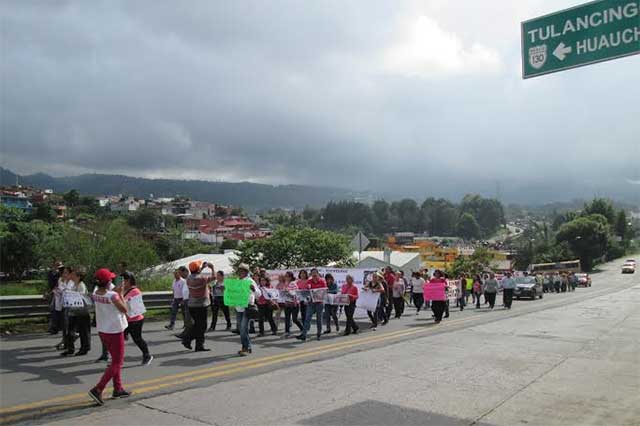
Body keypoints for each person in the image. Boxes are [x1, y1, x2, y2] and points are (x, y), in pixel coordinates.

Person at [88, 268, 130, 406]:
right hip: (115, 330)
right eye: (110, 279)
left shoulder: (95, 293)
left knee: (114, 360)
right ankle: (98, 388)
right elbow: (125, 310)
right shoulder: (113, 295)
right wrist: (121, 294)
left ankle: (118, 388)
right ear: (107, 282)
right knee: (118, 362)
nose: (112, 280)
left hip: (103, 330)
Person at [182, 261, 215, 352]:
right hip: (201, 305)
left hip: (191, 305)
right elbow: (214, 277)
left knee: (197, 325)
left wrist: (202, 268)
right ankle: (187, 339)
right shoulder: (202, 279)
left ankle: (198, 345)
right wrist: (212, 268)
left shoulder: (188, 278)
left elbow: (196, 273)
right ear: (198, 269)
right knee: (202, 326)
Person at [121, 272, 153, 365]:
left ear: (129, 280)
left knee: (137, 339)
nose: (123, 282)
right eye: (122, 280)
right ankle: (117, 359)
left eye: (125, 280)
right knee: (119, 340)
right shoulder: (121, 290)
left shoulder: (135, 291)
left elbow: (136, 308)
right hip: (125, 320)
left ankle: (147, 355)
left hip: (135, 320)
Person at [62, 267, 91, 356]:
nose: (72, 276)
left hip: (81, 312)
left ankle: (84, 348)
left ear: (78, 277)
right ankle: (70, 348)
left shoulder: (81, 285)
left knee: (84, 331)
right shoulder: (73, 284)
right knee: (70, 331)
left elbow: (80, 297)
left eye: (74, 275)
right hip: (73, 311)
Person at [297, 268, 327, 342]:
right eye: (312, 273)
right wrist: (305, 299)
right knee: (307, 318)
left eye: (315, 273)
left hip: (319, 303)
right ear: (311, 274)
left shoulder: (322, 281)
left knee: (319, 319)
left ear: (317, 274)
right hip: (311, 303)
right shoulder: (309, 281)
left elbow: (325, 291)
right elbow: (307, 292)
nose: (314, 275)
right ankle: (304, 335)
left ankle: (319, 334)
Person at [236, 264, 260, 356]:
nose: (240, 273)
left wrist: (254, 289)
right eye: (239, 271)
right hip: (238, 307)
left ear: (246, 272)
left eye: (242, 271)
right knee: (242, 329)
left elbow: (259, 294)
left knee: (243, 328)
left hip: (247, 307)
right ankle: (248, 346)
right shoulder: (237, 281)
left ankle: (245, 348)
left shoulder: (250, 281)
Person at [278, 272, 304, 337]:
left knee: (295, 319)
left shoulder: (293, 283)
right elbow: (282, 294)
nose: (286, 278)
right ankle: (287, 332)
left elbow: (295, 293)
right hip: (287, 303)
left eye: (287, 276)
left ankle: (303, 328)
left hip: (294, 304)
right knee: (287, 318)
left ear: (291, 277)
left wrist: (288, 291)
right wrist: (282, 292)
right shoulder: (286, 284)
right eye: (285, 276)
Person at [46, 261, 65, 334]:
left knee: (56, 311)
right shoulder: (50, 273)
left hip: (59, 294)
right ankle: (54, 327)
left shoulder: (61, 274)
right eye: (57, 265)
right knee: (53, 310)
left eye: (60, 266)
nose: (59, 267)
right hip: (54, 293)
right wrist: (49, 292)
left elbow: (59, 285)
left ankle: (55, 327)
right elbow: (50, 284)